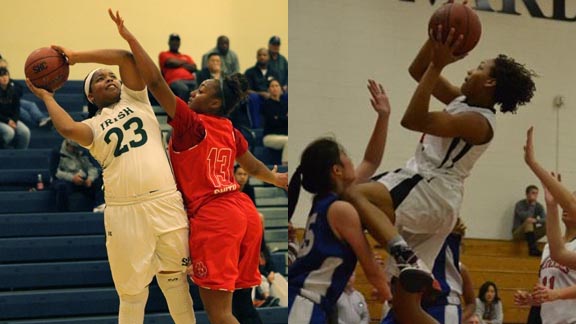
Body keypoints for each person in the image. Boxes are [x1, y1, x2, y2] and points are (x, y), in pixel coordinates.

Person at [341, 19, 536, 322]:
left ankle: (401, 252)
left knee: (350, 194)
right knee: (407, 309)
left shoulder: (479, 122)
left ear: (489, 83)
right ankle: (405, 256)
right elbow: (417, 71)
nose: (470, 69)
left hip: (430, 188)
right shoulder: (462, 99)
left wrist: (438, 65)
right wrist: (438, 38)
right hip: (436, 199)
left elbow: (412, 119)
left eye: (479, 67)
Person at [108, 10, 288, 324]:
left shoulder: (192, 123)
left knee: (219, 315)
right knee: (240, 310)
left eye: (201, 91)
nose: (193, 92)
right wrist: (277, 178)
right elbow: (255, 166)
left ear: (215, 103)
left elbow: (154, 81)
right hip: (245, 213)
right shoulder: (230, 128)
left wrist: (130, 38)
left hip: (216, 216)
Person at [25, 12, 196, 324]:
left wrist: (75, 57)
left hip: (165, 202)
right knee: (132, 294)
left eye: (111, 76)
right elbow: (66, 128)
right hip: (124, 210)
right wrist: (47, 97)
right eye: (100, 79)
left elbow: (125, 58)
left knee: (175, 282)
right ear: (91, 96)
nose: (110, 78)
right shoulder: (91, 125)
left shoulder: (138, 99)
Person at [288, 79, 392, 323]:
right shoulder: (341, 209)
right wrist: (391, 295)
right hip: (305, 303)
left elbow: (372, 160)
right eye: (346, 156)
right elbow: (368, 261)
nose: (352, 160)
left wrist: (383, 117)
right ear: (336, 170)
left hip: (311, 304)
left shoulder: (332, 201)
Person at [382, 218, 476, 324]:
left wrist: (460, 318)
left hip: (439, 303)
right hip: (404, 303)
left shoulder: (443, 229)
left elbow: (471, 303)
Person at [524, 127, 576, 271]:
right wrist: (551, 205)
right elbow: (558, 254)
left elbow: (571, 204)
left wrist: (533, 164)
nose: (566, 207)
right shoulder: (551, 246)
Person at [52, 138, 105, 213]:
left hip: (83, 179)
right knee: (62, 187)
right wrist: (72, 178)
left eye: (76, 148)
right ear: (67, 144)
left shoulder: (83, 151)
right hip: (67, 179)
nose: (75, 150)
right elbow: (55, 172)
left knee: (100, 181)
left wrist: (90, 178)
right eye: (73, 147)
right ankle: (63, 212)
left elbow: (92, 168)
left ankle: (99, 205)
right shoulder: (57, 152)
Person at [0, 57, 51, 128]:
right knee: (21, 111)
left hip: (13, 100)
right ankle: (37, 124)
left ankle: (42, 118)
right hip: (4, 104)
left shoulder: (9, 81)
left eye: (5, 68)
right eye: (2, 68)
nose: (4, 70)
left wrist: (13, 92)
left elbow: (19, 89)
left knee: (31, 105)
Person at [159, 33, 198, 101]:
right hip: (175, 81)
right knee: (184, 90)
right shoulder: (164, 54)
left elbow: (194, 67)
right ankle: (182, 111)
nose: (175, 43)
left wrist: (178, 63)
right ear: (169, 42)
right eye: (173, 40)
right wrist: (185, 63)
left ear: (179, 43)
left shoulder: (186, 56)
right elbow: (171, 62)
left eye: (177, 41)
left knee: (199, 92)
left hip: (191, 80)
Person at [0, 67, 30, 149]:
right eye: (1, 76)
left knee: (25, 132)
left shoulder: (13, 90)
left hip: (11, 119)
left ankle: (21, 154)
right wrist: (8, 121)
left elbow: (17, 108)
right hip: (2, 120)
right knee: (9, 132)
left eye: (6, 75)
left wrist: (14, 120)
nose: (4, 78)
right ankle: (3, 150)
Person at [512, 185, 546, 256]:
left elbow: (545, 219)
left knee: (549, 225)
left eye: (536, 193)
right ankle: (533, 249)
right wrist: (532, 205)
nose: (535, 195)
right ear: (527, 194)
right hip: (518, 233)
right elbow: (526, 216)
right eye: (533, 193)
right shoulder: (519, 205)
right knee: (528, 221)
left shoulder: (539, 206)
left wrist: (536, 221)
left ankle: (551, 250)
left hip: (531, 233)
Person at [261, 79, 288, 165]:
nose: (275, 88)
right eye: (272, 86)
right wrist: (285, 117)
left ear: (280, 89)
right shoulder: (266, 104)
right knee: (289, 141)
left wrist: (279, 118)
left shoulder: (285, 104)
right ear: (268, 89)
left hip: (283, 135)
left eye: (277, 86)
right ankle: (285, 166)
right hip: (269, 136)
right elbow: (272, 122)